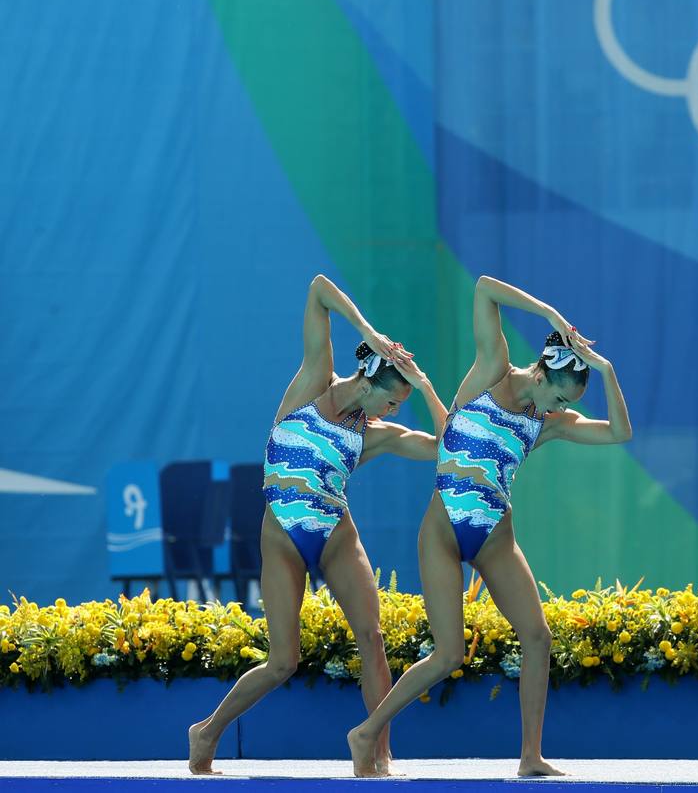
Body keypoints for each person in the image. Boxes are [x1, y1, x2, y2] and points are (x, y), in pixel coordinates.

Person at [346, 275, 632, 777]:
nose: (559, 411)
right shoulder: (490, 373)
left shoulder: (547, 423)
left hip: (496, 537)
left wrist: (605, 372)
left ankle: (530, 757)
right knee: (448, 654)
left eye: (565, 407)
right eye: (559, 399)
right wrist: (549, 315)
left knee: (538, 637)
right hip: (441, 532)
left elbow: (618, 432)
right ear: (541, 376)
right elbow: (484, 289)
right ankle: (367, 731)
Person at [188, 274, 448, 776]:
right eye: (393, 400)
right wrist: (369, 332)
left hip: (335, 533)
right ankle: (208, 730)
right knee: (283, 660)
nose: (395, 411)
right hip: (281, 536)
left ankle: (378, 754)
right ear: (368, 382)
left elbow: (449, 447)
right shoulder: (313, 382)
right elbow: (318, 288)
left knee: (371, 638)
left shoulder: (374, 435)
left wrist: (426, 387)